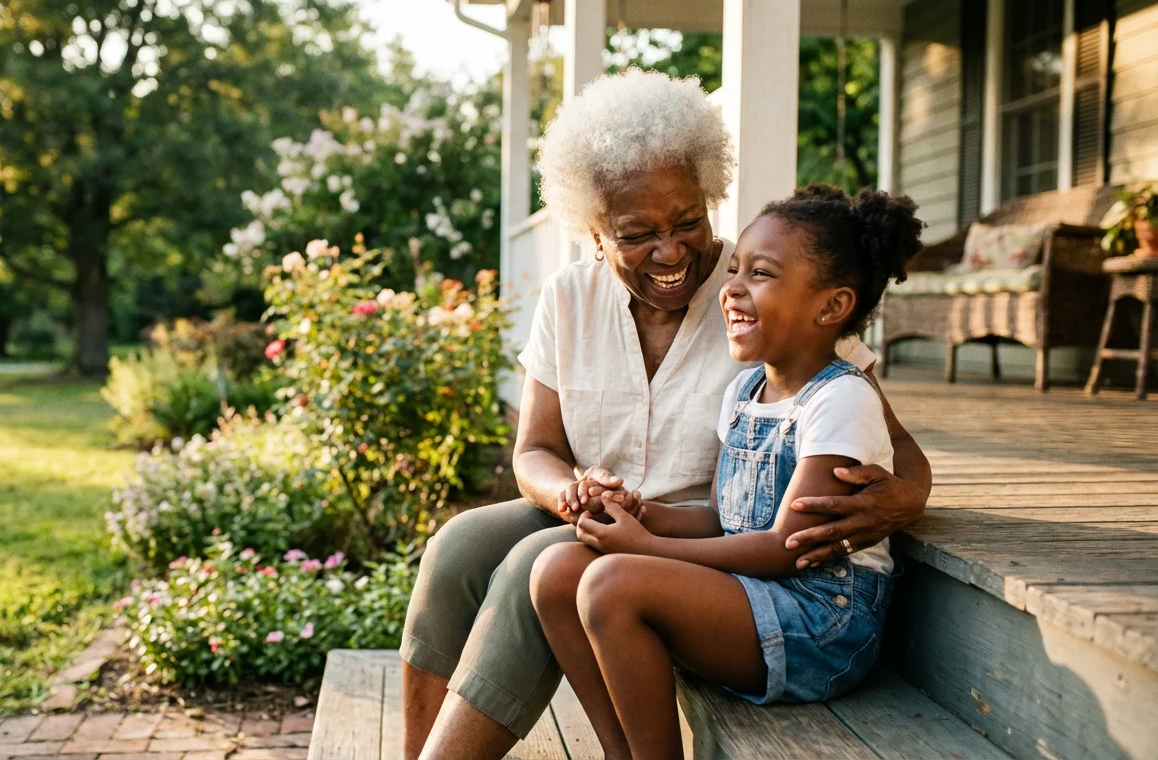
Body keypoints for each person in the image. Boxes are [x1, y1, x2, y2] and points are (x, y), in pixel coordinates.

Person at [399, 70, 933, 760]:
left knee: (540, 561)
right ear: (594, 230)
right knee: (459, 546)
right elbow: (533, 447)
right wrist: (574, 492)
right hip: (621, 514)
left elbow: (890, 441)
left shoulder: (766, 302)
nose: (673, 251)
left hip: (706, 543)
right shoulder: (570, 297)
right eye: (636, 233)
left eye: (688, 222)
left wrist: (908, 496)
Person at [532, 184, 924, 758]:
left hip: (821, 621)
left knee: (612, 583)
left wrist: (646, 548)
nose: (732, 287)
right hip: (753, 594)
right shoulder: (745, 391)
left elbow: (787, 548)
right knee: (557, 570)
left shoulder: (841, 400)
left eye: (760, 274)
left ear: (832, 307)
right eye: (734, 268)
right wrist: (644, 513)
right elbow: (723, 518)